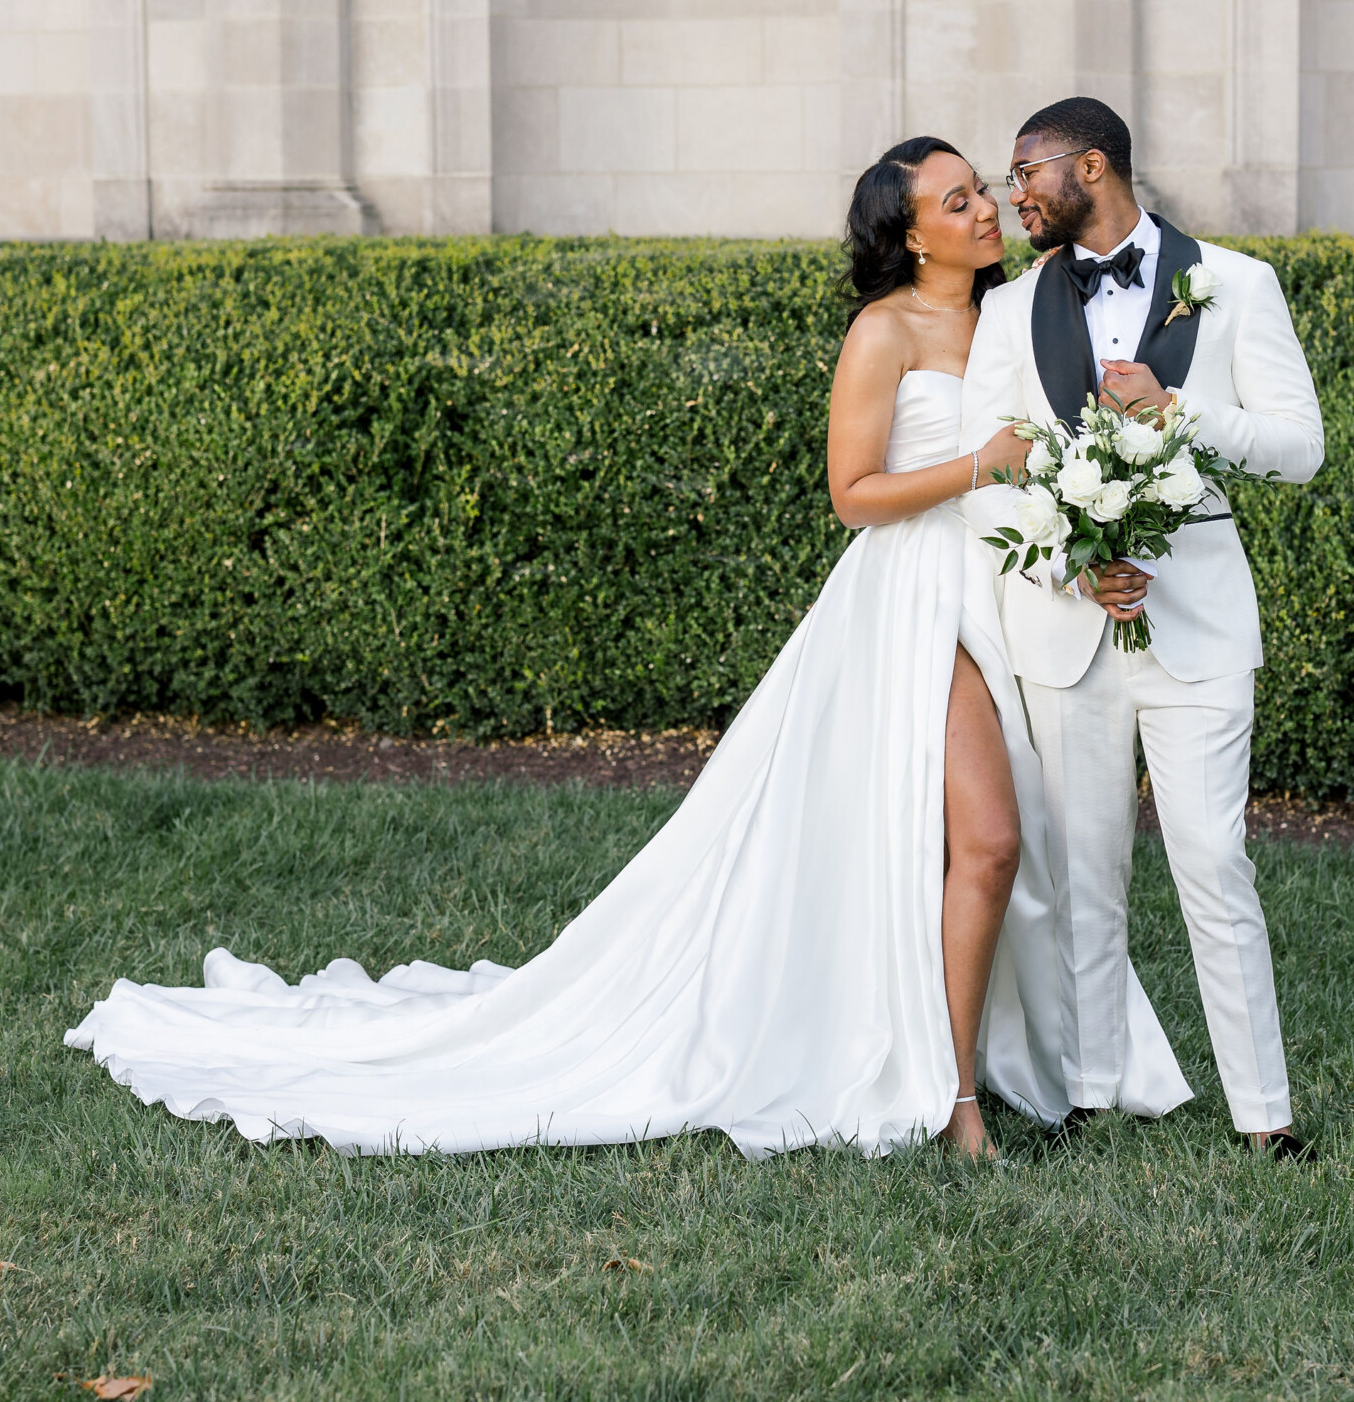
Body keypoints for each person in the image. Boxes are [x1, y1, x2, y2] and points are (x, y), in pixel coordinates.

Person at [66, 137, 1192, 1160]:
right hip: (913, 605)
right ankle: (951, 1101)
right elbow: (853, 495)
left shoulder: (1019, 313)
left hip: (1014, 597)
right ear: (909, 235)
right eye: (958, 200)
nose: (987, 208)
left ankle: (1012, 1062)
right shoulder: (883, 330)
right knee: (988, 841)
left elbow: (1050, 446)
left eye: (983, 191)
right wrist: (975, 465)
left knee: (1007, 847)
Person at [959, 96, 1326, 1159]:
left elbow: (1300, 448)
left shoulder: (1238, 284)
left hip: (1199, 625)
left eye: (1027, 172)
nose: (1012, 193)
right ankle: (1088, 1090)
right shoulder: (1007, 309)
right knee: (1083, 872)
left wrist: (1179, 413)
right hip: (1067, 631)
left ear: (1094, 164)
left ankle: (1265, 1118)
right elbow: (988, 473)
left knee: (1212, 859)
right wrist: (1072, 566)